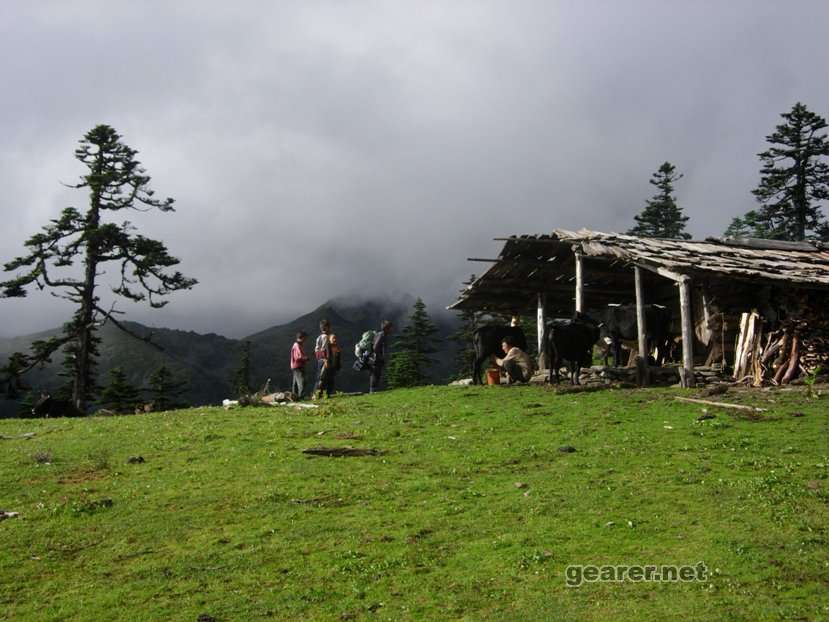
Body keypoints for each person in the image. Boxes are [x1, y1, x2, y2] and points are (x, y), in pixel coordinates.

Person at [369, 320, 393, 393]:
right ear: (386, 328)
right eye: (390, 328)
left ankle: (373, 391)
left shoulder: (382, 335)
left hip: (376, 359)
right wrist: (381, 357)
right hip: (375, 359)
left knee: (377, 375)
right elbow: (375, 347)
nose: (391, 329)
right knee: (375, 375)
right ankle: (372, 392)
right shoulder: (381, 335)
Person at [316, 333, 342, 399]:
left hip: (333, 367)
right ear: (329, 339)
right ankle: (319, 394)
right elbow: (323, 354)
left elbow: (337, 358)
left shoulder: (337, 347)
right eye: (333, 338)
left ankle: (327, 394)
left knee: (331, 382)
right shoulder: (327, 347)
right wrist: (325, 361)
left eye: (335, 338)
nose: (335, 339)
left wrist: (337, 365)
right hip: (327, 366)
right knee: (323, 380)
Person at [290, 331, 310, 399]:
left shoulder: (296, 345)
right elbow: (298, 356)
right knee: (302, 381)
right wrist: (306, 358)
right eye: (305, 338)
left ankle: (294, 396)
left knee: (295, 382)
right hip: (298, 366)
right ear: (302, 338)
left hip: (294, 366)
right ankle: (301, 396)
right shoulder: (297, 345)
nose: (305, 340)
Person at [314, 319, 331, 397]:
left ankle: (319, 394)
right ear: (327, 327)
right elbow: (324, 349)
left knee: (320, 376)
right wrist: (326, 360)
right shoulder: (325, 337)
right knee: (322, 377)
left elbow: (316, 349)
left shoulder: (319, 337)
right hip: (324, 359)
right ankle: (316, 394)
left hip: (319, 359)